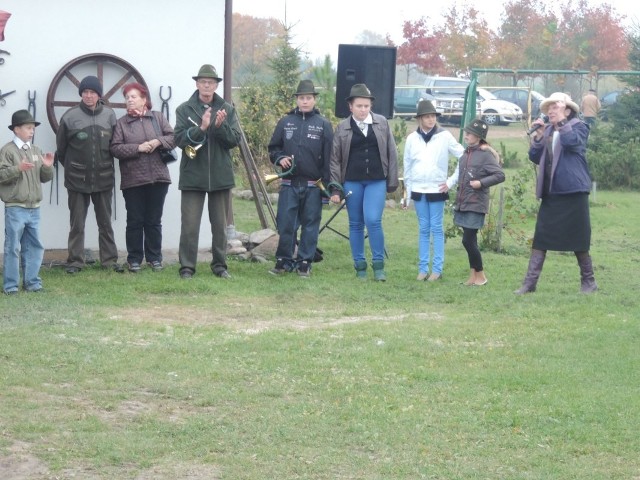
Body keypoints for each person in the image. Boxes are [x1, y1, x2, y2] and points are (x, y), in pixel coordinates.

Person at [515, 92, 596, 294]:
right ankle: (529, 283)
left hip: (573, 192)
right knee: (541, 237)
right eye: (549, 108)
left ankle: (589, 282)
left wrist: (561, 122)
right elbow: (535, 157)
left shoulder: (580, 127)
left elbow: (571, 143)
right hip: (552, 193)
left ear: (567, 110)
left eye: (555, 107)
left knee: (579, 238)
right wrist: (539, 136)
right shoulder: (548, 129)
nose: (550, 111)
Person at [173, 64, 241, 279]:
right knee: (190, 226)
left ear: (216, 85)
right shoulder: (184, 109)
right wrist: (201, 128)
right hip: (193, 175)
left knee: (220, 227)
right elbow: (180, 140)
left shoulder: (227, 109)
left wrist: (220, 127)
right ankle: (187, 267)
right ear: (197, 84)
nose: (206, 85)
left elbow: (233, 141)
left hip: (220, 176)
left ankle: (220, 266)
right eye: (203, 81)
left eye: (211, 82)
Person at [329, 83, 399, 281]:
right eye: (359, 106)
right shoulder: (342, 127)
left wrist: (392, 182)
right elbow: (335, 159)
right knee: (356, 223)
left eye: (366, 106)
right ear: (350, 106)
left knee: (373, 220)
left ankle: (378, 266)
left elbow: (391, 153)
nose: (363, 110)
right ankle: (360, 266)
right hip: (352, 181)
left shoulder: (382, 123)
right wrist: (336, 187)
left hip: (376, 180)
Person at [56, 75, 123, 274]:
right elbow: (61, 150)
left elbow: (115, 146)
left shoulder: (110, 115)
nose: (88, 96)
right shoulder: (69, 116)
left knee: (105, 223)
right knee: (77, 224)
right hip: (76, 180)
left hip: (103, 179)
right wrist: (75, 168)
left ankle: (109, 261)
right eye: (85, 92)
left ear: (98, 95)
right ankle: (75, 262)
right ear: (81, 94)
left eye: (92, 92)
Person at [267, 80, 333, 277]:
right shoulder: (285, 122)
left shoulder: (324, 125)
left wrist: (327, 190)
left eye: (309, 98)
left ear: (314, 100)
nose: (305, 101)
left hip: (314, 185)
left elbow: (330, 159)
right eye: (301, 98)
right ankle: (283, 260)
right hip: (289, 184)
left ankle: (305, 261)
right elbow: (273, 148)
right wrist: (280, 159)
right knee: (286, 224)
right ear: (297, 99)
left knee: (311, 224)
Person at [110, 82, 175, 273]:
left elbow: (172, 138)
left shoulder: (158, 117)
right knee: (135, 221)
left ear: (144, 99)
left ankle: (155, 258)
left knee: (154, 221)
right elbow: (115, 148)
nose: (130, 100)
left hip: (159, 178)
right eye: (127, 97)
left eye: (134, 96)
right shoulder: (122, 123)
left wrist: (158, 141)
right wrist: (137, 148)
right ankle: (134, 259)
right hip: (133, 180)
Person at [403, 99, 464, 281]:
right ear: (420, 118)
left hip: (437, 189)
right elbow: (407, 166)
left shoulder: (444, 136)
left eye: (433, 116)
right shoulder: (412, 139)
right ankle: (423, 268)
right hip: (418, 189)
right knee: (423, 228)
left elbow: (464, 156)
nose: (431, 120)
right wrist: (407, 193)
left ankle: (437, 269)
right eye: (427, 117)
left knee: (436, 228)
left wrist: (451, 181)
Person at [0, 110, 54, 294]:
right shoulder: (7, 151)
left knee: (34, 246)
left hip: (34, 208)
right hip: (15, 207)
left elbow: (45, 178)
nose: (32, 131)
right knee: (12, 247)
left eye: (33, 128)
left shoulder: (36, 150)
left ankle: (32, 283)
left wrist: (47, 167)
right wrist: (18, 168)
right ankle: (11, 286)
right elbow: (1, 175)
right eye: (28, 128)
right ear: (16, 129)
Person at [452, 118, 505, 286]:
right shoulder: (465, 154)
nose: (466, 135)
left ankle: (481, 276)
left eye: (469, 133)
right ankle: (473, 277)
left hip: (476, 203)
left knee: (467, 240)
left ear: (478, 136)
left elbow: (500, 175)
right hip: (464, 202)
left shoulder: (485, 155)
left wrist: (481, 183)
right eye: (466, 132)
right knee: (470, 240)